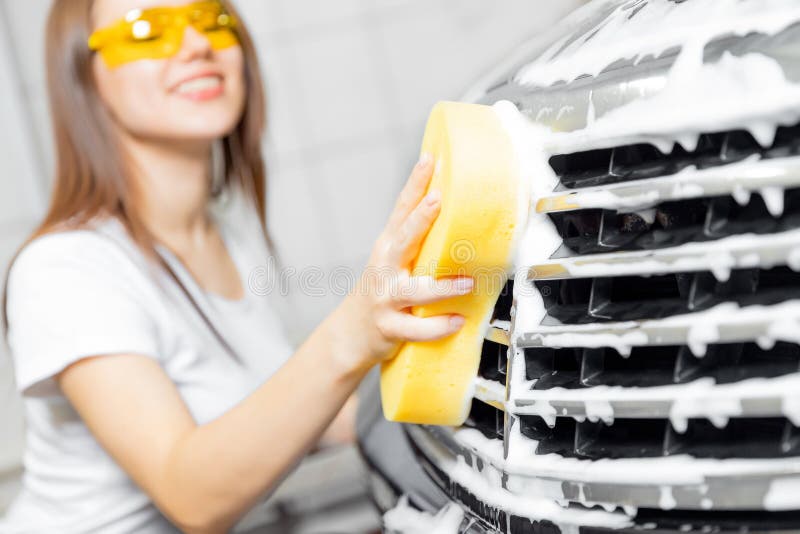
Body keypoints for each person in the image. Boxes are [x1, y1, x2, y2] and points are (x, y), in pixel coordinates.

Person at [0, 1, 473, 532]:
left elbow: (296, 417)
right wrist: (353, 332)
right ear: (86, 81)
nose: (197, 44)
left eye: (211, 20)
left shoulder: (227, 235)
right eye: (147, 30)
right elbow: (192, 496)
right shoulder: (65, 270)